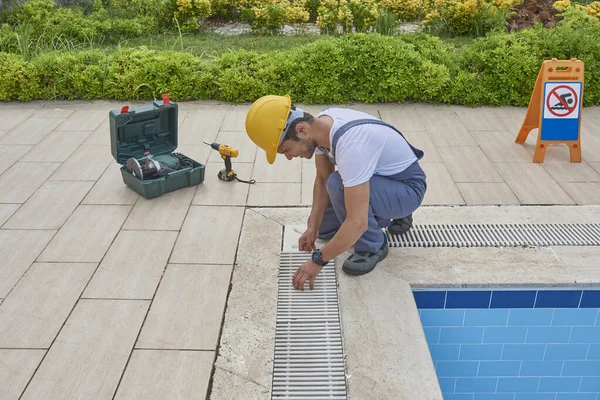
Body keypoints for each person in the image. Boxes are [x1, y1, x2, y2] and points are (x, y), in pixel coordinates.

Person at [245, 94, 427, 291]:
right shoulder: (321, 127)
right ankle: (385, 210)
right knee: (323, 227)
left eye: (286, 150)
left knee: (339, 184)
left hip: (407, 188)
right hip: (383, 179)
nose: (289, 157)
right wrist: (313, 227)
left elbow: (357, 223)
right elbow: (322, 178)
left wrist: (317, 261)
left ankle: (374, 246)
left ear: (301, 129)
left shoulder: (352, 145)